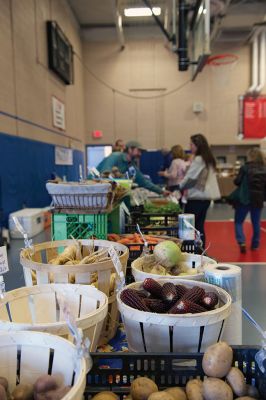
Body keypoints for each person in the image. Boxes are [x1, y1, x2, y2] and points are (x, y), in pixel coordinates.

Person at [175, 134, 221, 248]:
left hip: (196, 198)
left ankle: (190, 251)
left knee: (189, 228)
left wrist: (178, 187)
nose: (189, 146)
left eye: (191, 144)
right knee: (199, 226)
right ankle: (200, 250)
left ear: (197, 145)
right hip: (205, 199)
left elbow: (190, 178)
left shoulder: (199, 159)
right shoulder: (208, 158)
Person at [97, 140, 169, 196]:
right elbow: (105, 174)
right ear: (130, 149)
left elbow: (143, 181)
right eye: (138, 150)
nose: (140, 154)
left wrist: (161, 191)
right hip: (95, 190)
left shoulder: (131, 165)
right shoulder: (115, 156)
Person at [229, 148, 266, 253]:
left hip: (244, 198)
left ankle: (242, 242)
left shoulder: (245, 168)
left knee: (239, 222)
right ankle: (255, 244)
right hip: (258, 199)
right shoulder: (264, 168)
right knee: (256, 223)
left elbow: (237, 182)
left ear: (250, 156)